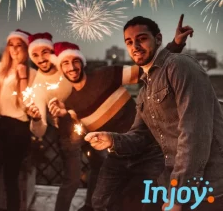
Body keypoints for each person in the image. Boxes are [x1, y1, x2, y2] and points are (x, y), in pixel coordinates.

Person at [47, 15, 194, 211]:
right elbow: (75, 136)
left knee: (146, 202)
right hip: (115, 155)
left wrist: (175, 44)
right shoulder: (70, 102)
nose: (72, 67)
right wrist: (61, 115)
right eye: (65, 63)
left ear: (82, 62)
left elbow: (148, 70)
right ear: (61, 68)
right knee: (103, 202)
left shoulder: (106, 75)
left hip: (146, 148)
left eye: (75, 61)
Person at [85, 16, 223, 211]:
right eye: (129, 42)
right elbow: (140, 136)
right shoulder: (145, 91)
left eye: (141, 38)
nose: (135, 46)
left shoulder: (179, 66)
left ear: (157, 39)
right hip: (172, 184)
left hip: (206, 187)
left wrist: (179, 195)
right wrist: (111, 139)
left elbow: (195, 134)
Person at [0, 29, 37, 211]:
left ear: (26, 49)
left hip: (18, 130)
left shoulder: (32, 74)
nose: (14, 50)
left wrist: (22, 77)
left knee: (10, 178)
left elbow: (25, 104)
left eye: (19, 46)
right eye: (11, 45)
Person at [27, 32, 73, 137]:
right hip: (67, 134)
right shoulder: (38, 87)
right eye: (35, 55)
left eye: (45, 52)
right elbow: (39, 132)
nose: (41, 59)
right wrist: (36, 119)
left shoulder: (67, 68)